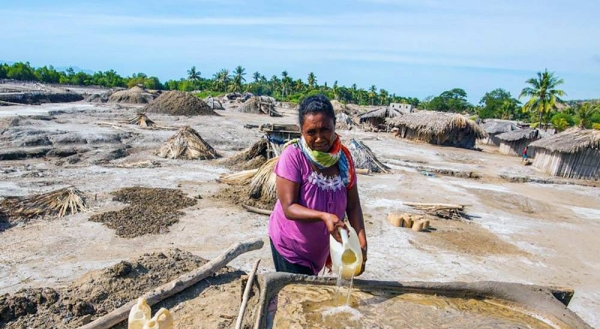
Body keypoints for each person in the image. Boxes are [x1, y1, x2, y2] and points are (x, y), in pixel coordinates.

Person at [268, 94, 368, 276]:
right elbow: (289, 208)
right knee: (296, 298)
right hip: (292, 247)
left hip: (321, 250)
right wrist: (324, 216)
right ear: (302, 131)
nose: (319, 138)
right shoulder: (293, 156)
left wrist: (362, 244)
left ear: (334, 126)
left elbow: (353, 205)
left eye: (325, 130)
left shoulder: (344, 159)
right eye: (311, 132)